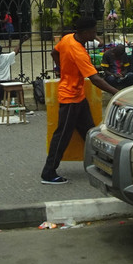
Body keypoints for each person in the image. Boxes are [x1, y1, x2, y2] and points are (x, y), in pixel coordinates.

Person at [41, 16, 119, 184]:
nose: (95, 35)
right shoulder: (78, 52)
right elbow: (96, 79)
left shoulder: (67, 38)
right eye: (93, 32)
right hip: (70, 99)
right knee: (62, 136)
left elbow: (54, 52)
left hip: (78, 97)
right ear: (84, 33)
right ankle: (48, 172)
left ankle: (99, 165)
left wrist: (63, 71)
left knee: (89, 132)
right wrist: (116, 92)